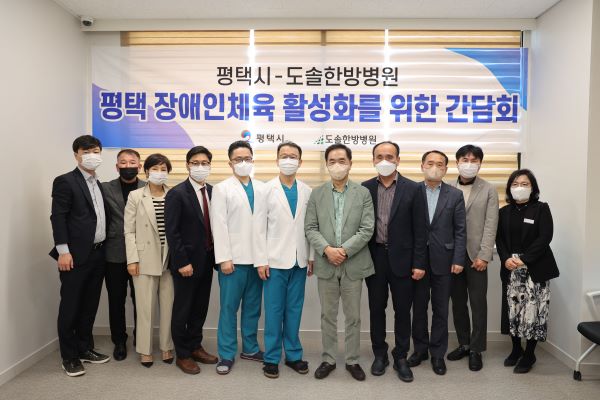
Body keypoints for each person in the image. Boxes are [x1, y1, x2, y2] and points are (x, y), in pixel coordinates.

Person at [305, 143, 375, 382]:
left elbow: (367, 229)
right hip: (326, 263)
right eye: (332, 161)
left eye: (342, 161)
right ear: (327, 165)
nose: (337, 165)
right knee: (328, 315)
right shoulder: (317, 194)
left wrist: (343, 251)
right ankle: (329, 358)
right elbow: (310, 227)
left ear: (350, 164)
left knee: (353, 316)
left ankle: (353, 360)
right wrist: (327, 250)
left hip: (353, 263)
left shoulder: (363, 193)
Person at [362, 141, 427, 382]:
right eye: (379, 156)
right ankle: (380, 354)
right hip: (375, 258)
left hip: (404, 260)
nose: (385, 160)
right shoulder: (365, 188)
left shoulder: (413, 188)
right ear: (373, 160)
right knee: (376, 309)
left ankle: (400, 356)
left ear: (398, 160)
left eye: (390, 156)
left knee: (402, 310)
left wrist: (419, 263)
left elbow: (421, 230)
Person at [49, 135, 111, 377]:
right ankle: (69, 357)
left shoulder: (98, 183)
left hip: (98, 253)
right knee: (71, 306)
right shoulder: (65, 181)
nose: (92, 155)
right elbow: (58, 217)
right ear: (76, 155)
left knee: (89, 305)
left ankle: (84, 348)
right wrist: (63, 251)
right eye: (86, 151)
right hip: (74, 256)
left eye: (95, 151)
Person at [255, 141, 313, 379]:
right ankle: (271, 358)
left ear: (300, 161)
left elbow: (311, 227)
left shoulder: (307, 191)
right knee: (274, 311)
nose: (288, 160)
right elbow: (258, 228)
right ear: (277, 160)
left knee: (294, 310)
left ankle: (293, 355)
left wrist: (311, 256)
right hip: (274, 261)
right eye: (284, 156)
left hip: (299, 261)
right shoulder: (265, 190)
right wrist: (261, 260)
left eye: (293, 156)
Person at [496, 169, 559, 374]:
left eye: (525, 184)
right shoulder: (503, 212)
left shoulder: (541, 208)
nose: (519, 187)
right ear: (509, 188)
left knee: (533, 312)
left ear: (533, 188)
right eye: (515, 184)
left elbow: (545, 237)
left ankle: (530, 354)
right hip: (511, 268)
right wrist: (506, 258)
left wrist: (524, 259)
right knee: (513, 311)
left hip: (535, 267)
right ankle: (516, 349)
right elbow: (499, 239)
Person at [409, 150, 466, 376]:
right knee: (419, 309)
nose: (434, 167)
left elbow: (460, 230)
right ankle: (420, 350)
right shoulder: (412, 191)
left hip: (445, 261)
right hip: (418, 262)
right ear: (422, 166)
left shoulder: (455, 195)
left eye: (439, 164)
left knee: (441, 309)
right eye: (430, 163)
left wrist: (459, 258)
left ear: (446, 168)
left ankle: (437, 354)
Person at [211, 140, 266, 375]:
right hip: (232, 261)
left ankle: (250, 348)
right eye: (238, 159)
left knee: (253, 308)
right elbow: (219, 225)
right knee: (229, 308)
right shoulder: (222, 189)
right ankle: (226, 353)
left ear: (253, 160)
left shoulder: (263, 188)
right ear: (230, 163)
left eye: (247, 159)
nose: (243, 163)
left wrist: (264, 258)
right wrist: (224, 257)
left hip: (257, 261)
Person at [165, 146, 218, 375]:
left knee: (200, 307)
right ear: (187, 165)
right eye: (195, 163)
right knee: (183, 309)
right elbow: (172, 232)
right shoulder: (177, 193)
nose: (200, 167)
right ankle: (183, 354)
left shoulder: (213, 192)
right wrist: (182, 262)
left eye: (204, 163)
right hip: (186, 263)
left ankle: (196, 346)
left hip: (208, 260)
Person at [447, 145, 499, 371]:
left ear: (480, 163)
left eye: (474, 160)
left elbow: (491, 224)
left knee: (478, 304)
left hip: (477, 257)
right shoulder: (447, 187)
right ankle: (464, 344)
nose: (469, 163)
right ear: (457, 162)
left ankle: (477, 349)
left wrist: (485, 255)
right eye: (464, 159)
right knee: (458, 303)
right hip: (453, 257)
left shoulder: (489, 189)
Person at [124, 153, 174, 368]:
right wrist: (132, 260)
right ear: (146, 172)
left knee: (168, 306)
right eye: (155, 169)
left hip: (170, 258)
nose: (159, 173)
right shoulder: (136, 196)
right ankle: (145, 350)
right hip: (144, 258)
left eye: (163, 169)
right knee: (145, 308)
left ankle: (166, 346)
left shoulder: (174, 195)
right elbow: (129, 231)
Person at [102, 149, 145, 361]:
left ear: (139, 165)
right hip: (114, 252)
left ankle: (141, 336)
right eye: (123, 162)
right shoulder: (104, 188)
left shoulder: (149, 187)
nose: (128, 166)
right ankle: (119, 340)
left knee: (141, 299)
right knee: (116, 299)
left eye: (132, 162)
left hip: (143, 252)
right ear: (117, 166)